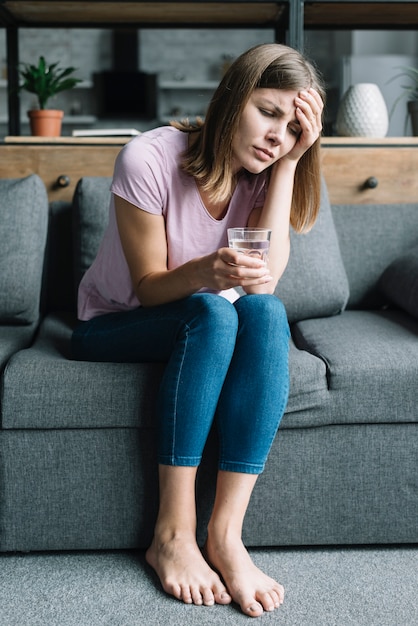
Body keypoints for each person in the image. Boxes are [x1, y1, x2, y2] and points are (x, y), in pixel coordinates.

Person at [71, 43, 324, 618]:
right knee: (213, 309)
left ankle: (226, 537)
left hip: (201, 323)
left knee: (263, 313)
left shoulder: (268, 169)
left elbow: (262, 287)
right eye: (267, 112)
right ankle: (172, 535)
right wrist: (208, 272)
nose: (274, 136)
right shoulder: (149, 158)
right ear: (233, 98)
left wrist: (287, 166)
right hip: (112, 323)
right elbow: (149, 288)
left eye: (292, 128)